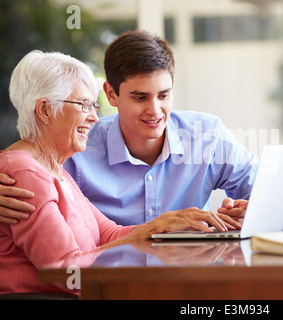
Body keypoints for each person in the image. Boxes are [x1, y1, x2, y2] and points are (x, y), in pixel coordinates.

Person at [0, 50, 240, 296]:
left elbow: (109, 234)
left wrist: (164, 225)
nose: (94, 117)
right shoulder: (24, 171)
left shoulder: (55, 169)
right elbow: (67, 272)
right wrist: (150, 232)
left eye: (93, 105)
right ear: (45, 110)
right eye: (84, 105)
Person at [0, 30, 258, 226]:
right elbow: (23, 160)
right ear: (111, 95)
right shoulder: (79, 145)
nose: (155, 110)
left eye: (164, 95)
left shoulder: (207, 136)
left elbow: (266, 190)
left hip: (187, 279)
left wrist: (254, 208)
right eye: (140, 97)